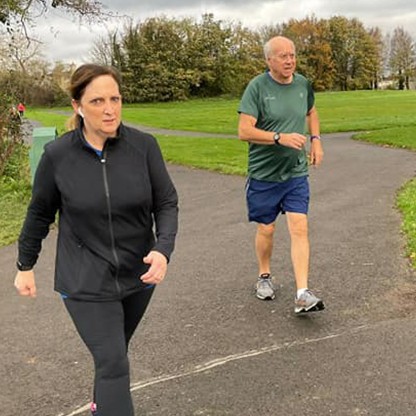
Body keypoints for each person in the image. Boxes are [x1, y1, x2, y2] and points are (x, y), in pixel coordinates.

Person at [14, 64, 179, 416]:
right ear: (77, 106)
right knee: (114, 362)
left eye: (115, 99)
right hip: (85, 280)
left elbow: (166, 202)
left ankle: (100, 406)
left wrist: (162, 250)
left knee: (112, 356)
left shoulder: (143, 147)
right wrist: (25, 265)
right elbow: (40, 213)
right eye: (98, 100)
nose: (109, 109)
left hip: (139, 275)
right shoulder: (58, 156)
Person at [237, 36, 325, 314]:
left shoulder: (303, 84)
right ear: (269, 60)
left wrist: (316, 139)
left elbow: (311, 111)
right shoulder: (257, 87)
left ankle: (302, 293)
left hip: (296, 173)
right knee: (267, 228)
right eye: (283, 56)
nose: (289, 60)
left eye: (293, 55)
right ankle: (264, 276)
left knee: (300, 226)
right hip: (264, 174)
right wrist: (279, 137)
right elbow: (244, 131)